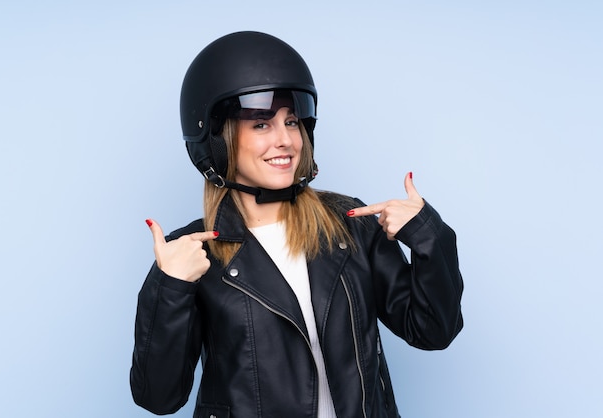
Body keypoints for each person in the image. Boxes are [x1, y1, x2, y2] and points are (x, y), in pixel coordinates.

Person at [130, 31, 464, 418]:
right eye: (260, 125)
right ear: (218, 142)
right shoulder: (191, 254)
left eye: (291, 122)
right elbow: (158, 397)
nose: (285, 140)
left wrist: (426, 234)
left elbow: (433, 330)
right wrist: (170, 286)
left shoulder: (350, 224)